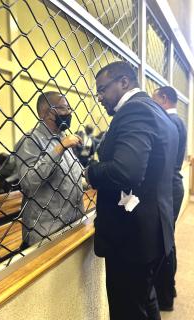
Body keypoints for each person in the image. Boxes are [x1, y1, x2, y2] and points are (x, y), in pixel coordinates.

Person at [84, 61, 178, 320]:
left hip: (132, 240)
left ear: (124, 82)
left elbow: (128, 171)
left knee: (127, 309)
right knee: (145, 302)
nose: (100, 97)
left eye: (103, 89)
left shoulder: (135, 111)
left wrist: (90, 173)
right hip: (153, 232)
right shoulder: (158, 112)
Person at [15, 91, 84, 247]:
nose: (68, 113)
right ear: (45, 113)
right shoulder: (29, 141)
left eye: (68, 108)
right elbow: (29, 182)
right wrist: (60, 148)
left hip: (73, 222)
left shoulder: (62, 136)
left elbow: (72, 175)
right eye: (63, 108)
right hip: (47, 233)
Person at [152, 86, 187, 311]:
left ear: (164, 99)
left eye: (155, 99)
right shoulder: (179, 122)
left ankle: (165, 295)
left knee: (165, 243)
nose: (153, 104)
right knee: (168, 241)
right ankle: (168, 289)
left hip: (168, 188)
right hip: (173, 186)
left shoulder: (168, 123)